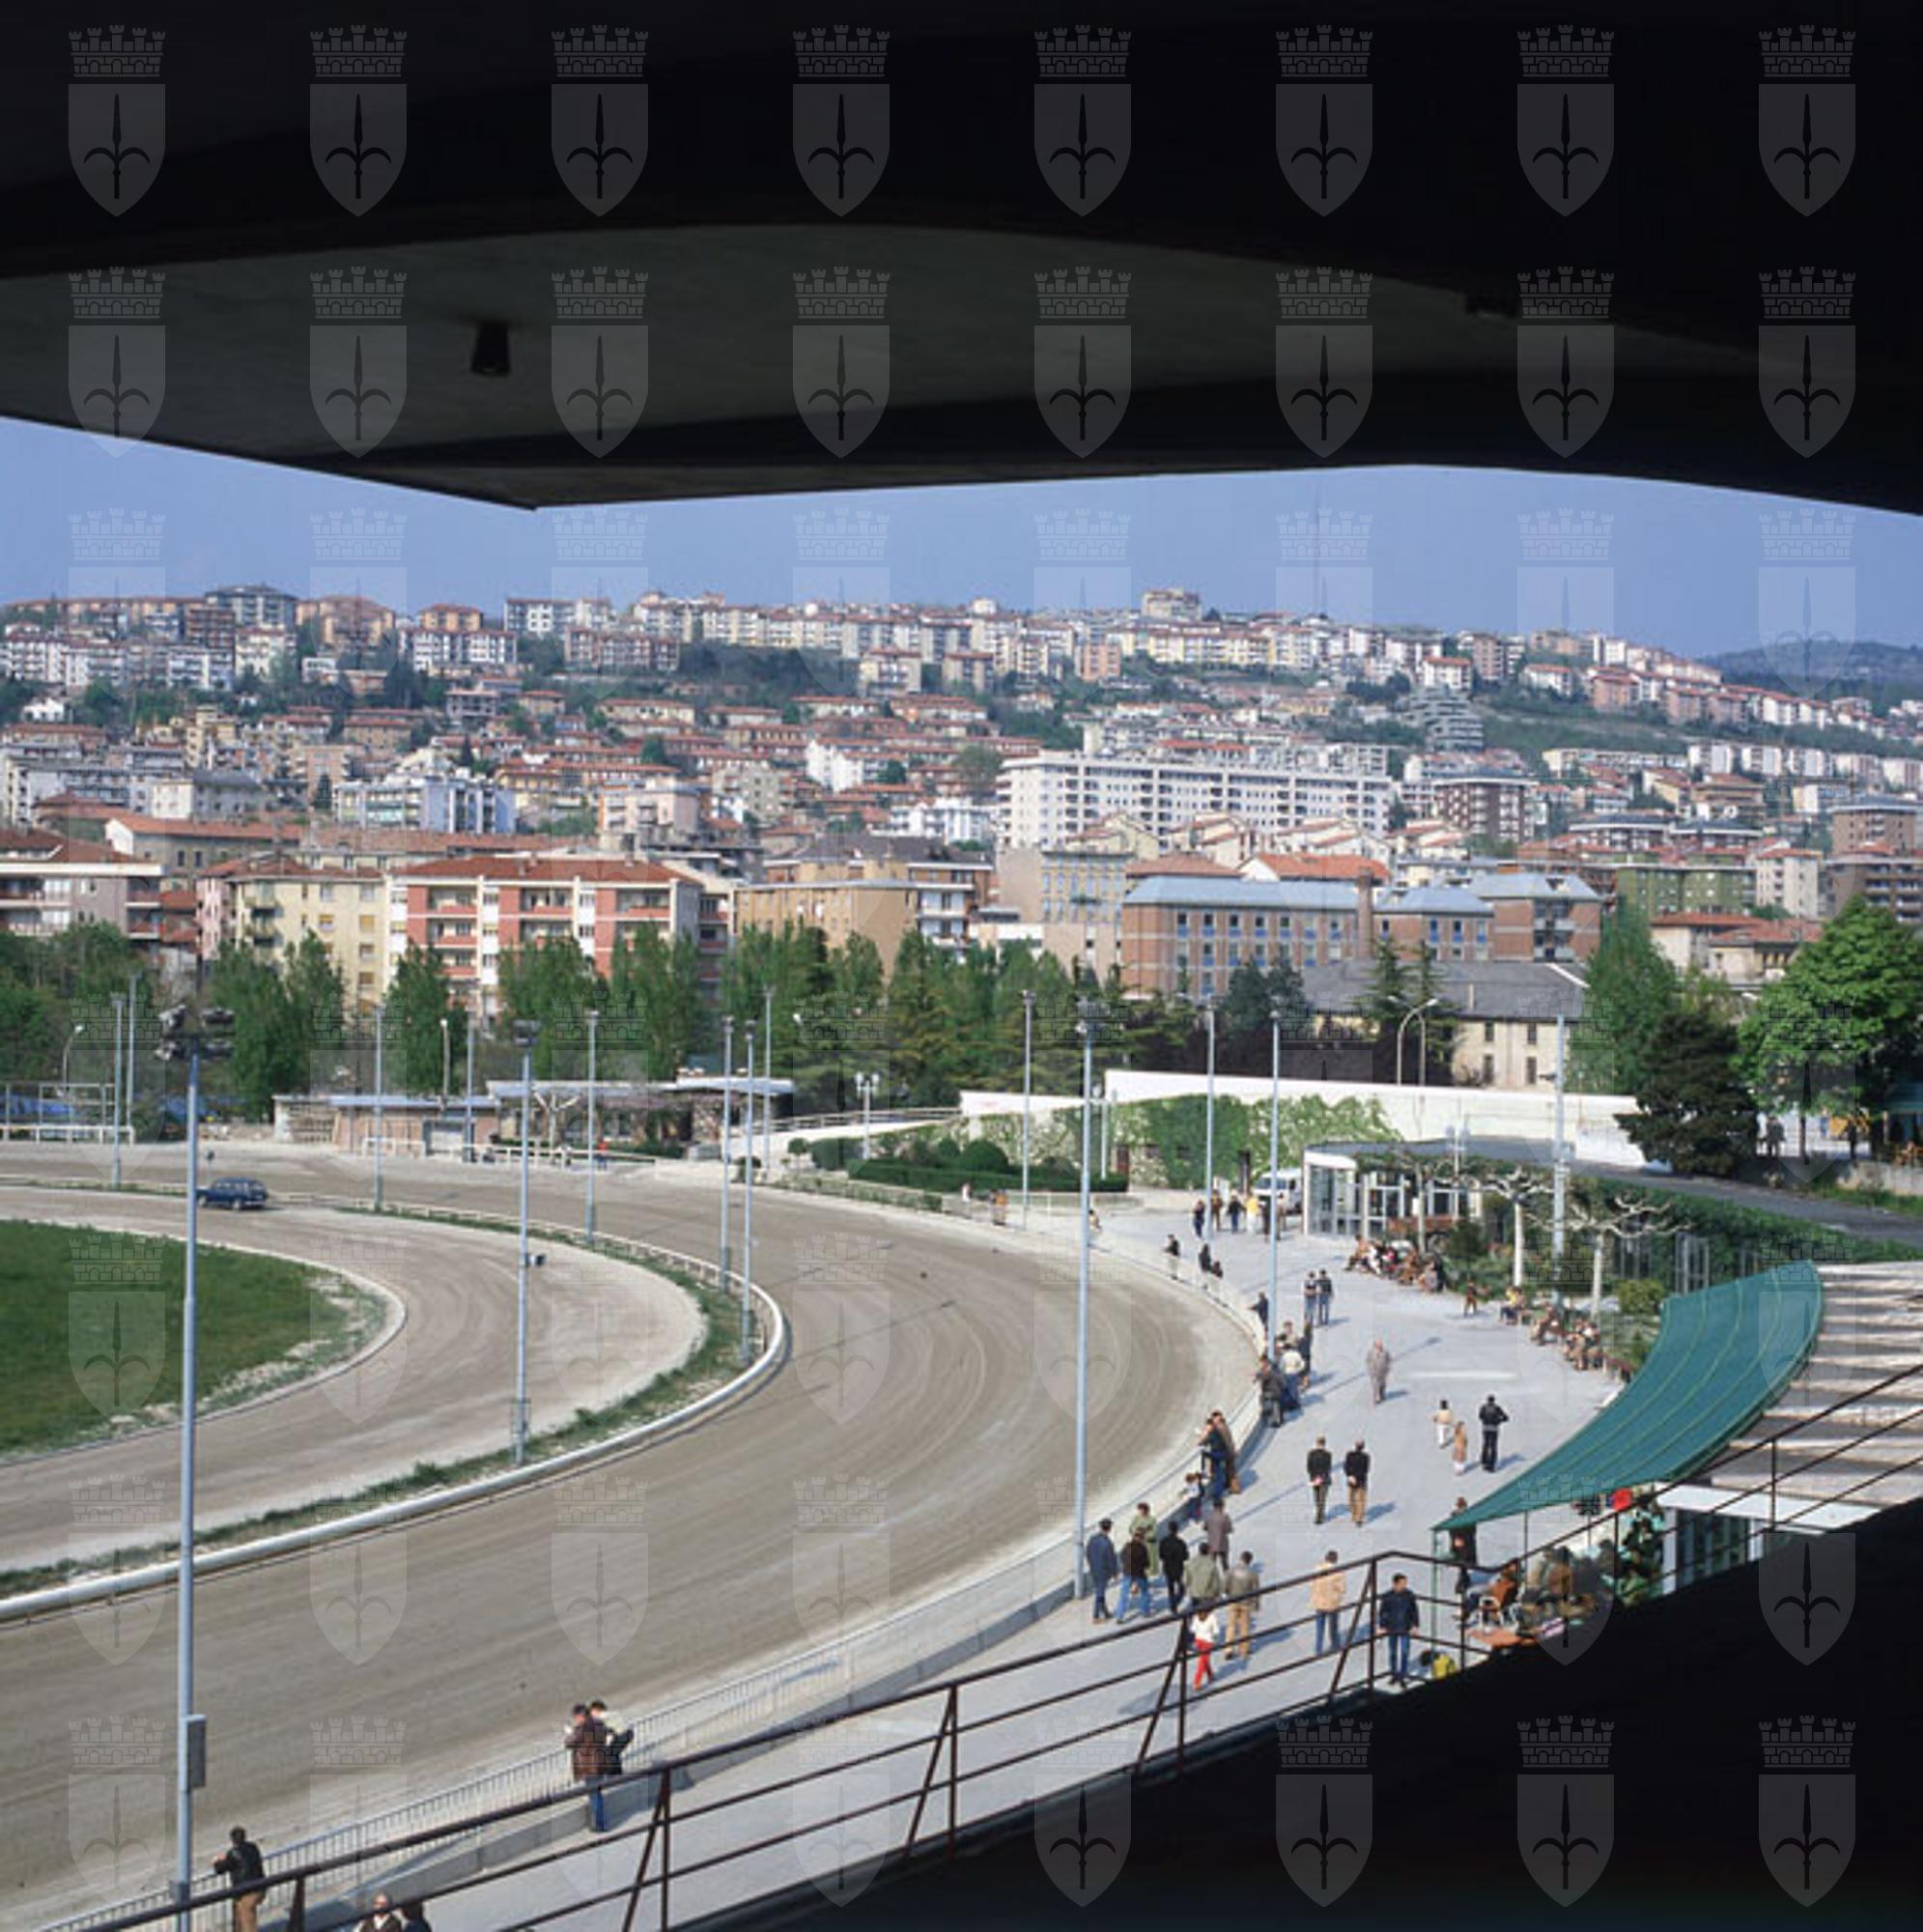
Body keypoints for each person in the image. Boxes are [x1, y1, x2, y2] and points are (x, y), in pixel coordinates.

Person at [565, 1702, 611, 1833]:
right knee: (597, 1794)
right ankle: (600, 1823)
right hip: (600, 1764)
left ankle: (598, 1824)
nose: (575, 1720)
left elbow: (569, 1743)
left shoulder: (581, 1729)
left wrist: (569, 1733)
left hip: (588, 1767)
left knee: (594, 1796)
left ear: (581, 1716)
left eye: (576, 1717)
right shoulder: (599, 1724)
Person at [212, 1826, 267, 1932]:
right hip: (259, 1888)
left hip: (245, 1892)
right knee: (241, 1918)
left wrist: (216, 1862)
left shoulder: (233, 1853)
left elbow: (220, 1869)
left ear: (232, 1839)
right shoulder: (253, 1847)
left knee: (247, 1923)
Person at [1378, 1572, 1420, 1684]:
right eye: (1402, 1583)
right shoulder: (1388, 1597)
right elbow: (1383, 1613)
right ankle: (1394, 1673)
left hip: (1405, 1627)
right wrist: (1382, 1626)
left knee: (1404, 1652)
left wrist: (1415, 1625)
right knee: (1393, 1653)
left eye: (1405, 1583)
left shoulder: (1409, 1595)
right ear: (1395, 1584)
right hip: (1392, 1628)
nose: (1404, 1585)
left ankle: (1402, 1675)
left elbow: (1414, 1612)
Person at [1224, 1549, 1259, 1661]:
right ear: (1250, 1561)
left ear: (1241, 1558)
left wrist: (1228, 1594)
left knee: (1231, 1626)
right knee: (1244, 1627)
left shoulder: (1232, 1570)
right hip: (1246, 1603)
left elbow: (1226, 1585)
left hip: (1233, 1601)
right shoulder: (1252, 1574)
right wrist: (1256, 1604)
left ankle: (1228, 1649)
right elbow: (1256, 1591)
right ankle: (1244, 1649)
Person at [1309, 1550, 1345, 1655]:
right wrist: (1338, 1597)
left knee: (1319, 1627)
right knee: (1333, 1627)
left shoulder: (1317, 1568)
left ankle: (1318, 1649)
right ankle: (1335, 1645)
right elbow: (1343, 1589)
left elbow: (1311, 1584)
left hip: (1319, 1602)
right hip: (1332, 1603)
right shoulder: (1338, 1572)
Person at [1085, 1519, 1119, 1620]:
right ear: (1109, 1529)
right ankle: (1096, 1615)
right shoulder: (1107, 1543)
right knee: (1100, 1592)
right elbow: (1111, 1560)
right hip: (1103, 1572)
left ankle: (1105, 1612)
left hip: (1094, 1569)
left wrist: (1091, 1565)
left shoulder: (1092, 1539)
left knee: (1100, 1590)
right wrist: (1115, 1573)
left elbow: (1088, 1553)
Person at [1117, 1520, 1153, 1620]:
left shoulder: (1126, 1546)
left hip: (1127, 1573)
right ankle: (1145, 1612)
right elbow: (1147, 1563)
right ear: (1142, 1538)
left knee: (1123, 1595)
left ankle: (1120, 1616)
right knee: (1144, 1592)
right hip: (1139, 1574)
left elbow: (1122, 1557)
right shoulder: (1142, 1548)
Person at [589, 1698, 633, 1778]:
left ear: (596, 1710)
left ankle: (613, 1774)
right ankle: (617, 1773)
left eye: (592, 1711)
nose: (591, 1714)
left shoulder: (603, 1715)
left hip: (623, 1734)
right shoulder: (610, 1714)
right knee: (612, 1752)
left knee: (610, 1753)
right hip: (625, 1733)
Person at [1183, 1540, 1225, 1613]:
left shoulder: (1190, 1562)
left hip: (1194, 1593)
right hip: (1207, 1594)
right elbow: (1216, 1581)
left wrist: (1188, 1588)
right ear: (1208, 1551)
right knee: (1206, 1614)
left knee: (1196, 1611)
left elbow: (1185, 1579)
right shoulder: (1211, 1564)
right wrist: (1218, 1593)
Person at [1158, 1520, 1190, 1614]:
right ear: (1177, 1530)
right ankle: (1175, 1603)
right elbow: (1185, 1557)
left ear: (1168, 1529)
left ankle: (1173, 1607)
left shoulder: (1163, 1542)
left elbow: (1161, 1555)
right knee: (1182, 1589)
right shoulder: (1180, 1543)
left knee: (1170, 1588)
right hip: (1178, 1568)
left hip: (1167, 1568)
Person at [1190, 1601, 1222, 1689]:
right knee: (1202, 1661)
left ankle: (1210, 1675)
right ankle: (1197, 1682)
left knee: (1204, 1659)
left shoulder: (1196, 1616)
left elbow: (1193, 1629)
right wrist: (1215, 1638)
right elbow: (1216, 1631)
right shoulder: (1212, 1617)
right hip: (1208, 1641)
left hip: (1198, 1640)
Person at [1479, 1394, 1510, 1472]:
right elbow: (1506, 1418)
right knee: (1493, 1446)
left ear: (1487, 1400)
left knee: (1486, 1444)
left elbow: (1480, 1416)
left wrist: (1485, 1421)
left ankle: (1484, 1461)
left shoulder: (1484, 1407)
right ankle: (1491, 1465)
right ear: (1494, 1400)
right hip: (1494, 1429)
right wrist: (1499, 1421)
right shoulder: (1497, 1408)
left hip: (1486, 1428)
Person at [1306, 1435, 1333, 1523]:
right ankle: (1320, 1515)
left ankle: (1319, 1515)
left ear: (1317, 1443)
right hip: (1324, 1479)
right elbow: (1327, 1468)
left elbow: (1309, 1467)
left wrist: (1315, 1477)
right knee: (1322, 1498)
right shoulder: (1328, 1454)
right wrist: (1320, 1477)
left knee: (1317, 1497)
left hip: (1314, 1479)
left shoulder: (1311, 1454)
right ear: (1324, 1444)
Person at [1343, 1438, 1371, 1526]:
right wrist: (1352, 1476)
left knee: (1353, 1499)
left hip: (1353, 1480)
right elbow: (1365, 1470)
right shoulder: (1365, 1456)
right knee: (1359, 1500)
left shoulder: (1350, 1455)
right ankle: (1357, 1516)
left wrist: (1351, 1476)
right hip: (1361, 1480)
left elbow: (1346, 1467)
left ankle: (1357, 1517)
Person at [1201, 1495, 1231, 1564]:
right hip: (1222, 1543)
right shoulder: (1225, 1517)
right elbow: (1228, 1529)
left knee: (1212, 1563)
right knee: (1224, 1563)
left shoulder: (1209, 1516)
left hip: (1212, 1543)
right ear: (1221, 1506)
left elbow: (1204, 1528)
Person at [1365, 1337, 1391, 1405]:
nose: (1379, 1347)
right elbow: (1368, 1360)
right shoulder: (1371, 1353)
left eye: (1380, 1345)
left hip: (1383, 1371)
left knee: (1382, 1384)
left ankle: (1382, 1394)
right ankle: (1377, 1397)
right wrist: (1370, 1369)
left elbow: (1389, 1360)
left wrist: (1387, 1368)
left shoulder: (1385, 1352)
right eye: (1378, 1345)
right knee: (1375, 1385)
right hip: (1374, 1371)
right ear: (1375, 1346)